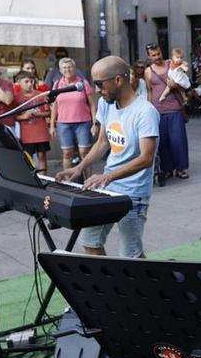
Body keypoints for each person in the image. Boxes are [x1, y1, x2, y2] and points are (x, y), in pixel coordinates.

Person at [56, 57, 159, 258]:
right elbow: (102, 142)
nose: (96, 90)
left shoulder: (145, 112)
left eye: (99, 84)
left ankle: (148, 287)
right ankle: (110, 285)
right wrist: (79, 168)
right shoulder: (106, 103)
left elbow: (147, 158)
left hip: (133, 194)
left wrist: (107, 177)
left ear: (118, 80)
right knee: (90, 241)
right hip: (108, 189)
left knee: (131, 255)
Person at [145, 44, 190, 182]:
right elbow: (149, 91)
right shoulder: (148, 71)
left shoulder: (172, 63)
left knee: (178, 140)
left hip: (175, 107)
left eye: (158, 53)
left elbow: (183, 80)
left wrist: (175, 86)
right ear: (149, 56)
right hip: (158, 110)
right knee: (163, 141)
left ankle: (181, 168)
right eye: (153, 55)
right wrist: (149, 109)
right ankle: (167, 168)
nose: (157, 57)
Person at [48, 57, 96, 177]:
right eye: (64, 67)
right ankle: (68, 181)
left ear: (75, 69)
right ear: (60, 70)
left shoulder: (83, 83)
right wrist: (52, 125)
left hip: (83, 122)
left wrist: (95, 124)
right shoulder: (57, 84)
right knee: (67, 153)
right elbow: (55, 106)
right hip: (63, 123)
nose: (67, 69)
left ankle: (88, 180)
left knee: (84, 152)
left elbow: (92, 105)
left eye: (70, 67)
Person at [14, 71, 52, 171]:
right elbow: (14, 116)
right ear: (18, 82)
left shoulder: (41, 95)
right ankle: (31, 179)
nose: (30, 84)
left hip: (41, 132)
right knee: (28, 157)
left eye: (31, 81)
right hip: (27, 134)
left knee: (42, 155)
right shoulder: (16, 98)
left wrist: (37, 114)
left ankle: (44, 178)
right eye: (26, 82)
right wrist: (24, 116)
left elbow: (49, 113)